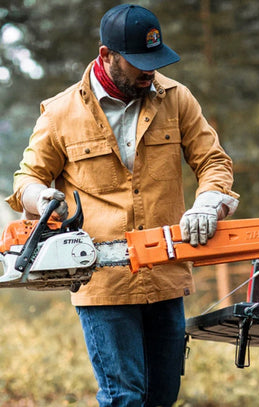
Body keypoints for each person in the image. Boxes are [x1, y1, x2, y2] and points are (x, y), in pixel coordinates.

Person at [6, 4, 238, 406]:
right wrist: (40, 198)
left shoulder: (176, 99)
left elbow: (213, 160)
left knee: (162, 396)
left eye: (155, 60)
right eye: (138, 63)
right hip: (102, 280)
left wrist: (209, 203)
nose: (149, 72)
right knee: (124, 398)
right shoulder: (61, 113)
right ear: (106, 56)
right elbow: (26, 179)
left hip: (165, 271)